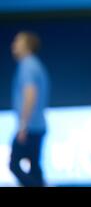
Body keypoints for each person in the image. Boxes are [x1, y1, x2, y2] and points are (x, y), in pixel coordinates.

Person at [9, 31, 49, 187]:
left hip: (30, 127)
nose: (13, 45)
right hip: (38, 126)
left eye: (17, 41)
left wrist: (23, 125)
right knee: (34, 168)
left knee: (14, 165)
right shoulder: (35, 64)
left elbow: (30, 94)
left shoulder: (28, 66)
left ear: (27, 45)